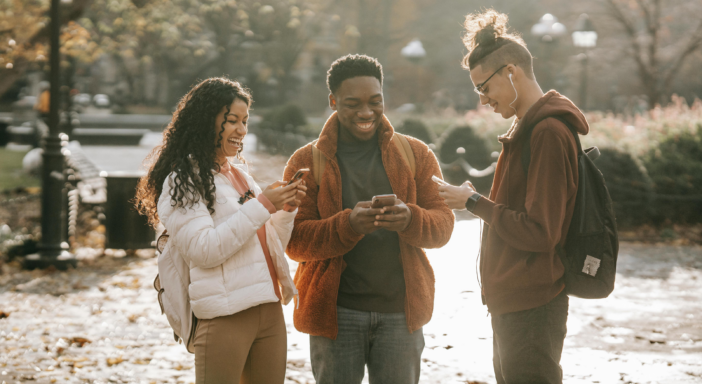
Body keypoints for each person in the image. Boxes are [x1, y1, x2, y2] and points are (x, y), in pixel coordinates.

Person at [437, 10, 591, 384]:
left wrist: (472, 203)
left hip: (533, 303)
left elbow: (541, 232)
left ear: (511, 72)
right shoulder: (528, 128)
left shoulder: (548, 132)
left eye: (484, 88)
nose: (483, 100)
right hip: (516, 302)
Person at [283, 54, 455, 384]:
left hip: (401, 315)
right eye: (353, 103)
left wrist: (410, 219)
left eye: (375, 102)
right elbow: (294, 242)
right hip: (336, 314)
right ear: (333, 101)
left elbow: (444, 225)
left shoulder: (415, 154)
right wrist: (346, 226)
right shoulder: (307, 161)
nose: (366, 112)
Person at [134, 77, 306, 384]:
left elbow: (269, 246)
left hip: (268, 310)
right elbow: (205, 250)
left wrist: (286, 211)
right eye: (232, 121)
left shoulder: (238, 176)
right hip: (225, 317)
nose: (241, 130)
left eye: (245, 121)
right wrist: (264, 204)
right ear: (205, 121)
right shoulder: (182, 182)